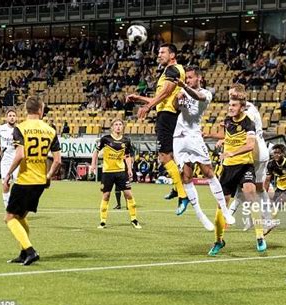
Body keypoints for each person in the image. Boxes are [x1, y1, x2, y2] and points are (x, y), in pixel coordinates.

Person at [126, 43, 189, 214]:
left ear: (173, 55)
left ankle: (183, 195)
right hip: (166, 114)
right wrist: (139, 98)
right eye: (158, 52)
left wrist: (147, 107)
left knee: (164, 156)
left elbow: (166, 94)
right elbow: (161, 98)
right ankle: (178, 189)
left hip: (167, 116)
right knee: (169, 156)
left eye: (162, 52)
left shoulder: (173, 70)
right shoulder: (168, 72)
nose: (159, 55)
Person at [172, 66, 235, 230]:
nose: (188, 81)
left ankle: (225, 211)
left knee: (208, 172)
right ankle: (200, 214)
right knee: (185, 176)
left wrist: (183, 88)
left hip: (194, 136)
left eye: (191, 78)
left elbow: (198, 96)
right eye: (187, 79)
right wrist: (177, 96)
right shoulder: (184, 91)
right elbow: (175, 107)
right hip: (179, 138)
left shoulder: (206, 94)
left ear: (199, 78)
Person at [3, 96, 61, 266]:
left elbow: (20, 155)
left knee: (9, 218)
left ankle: (30, 250)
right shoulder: (50, 130)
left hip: (25, 180)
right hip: (40, 181)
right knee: (20, 216)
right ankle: (23, 252)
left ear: (26, 110)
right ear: (40, 110)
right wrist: (48, 176)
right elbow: (57, 160)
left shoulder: (20, 128)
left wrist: (8, 175)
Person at [207, 95, 267, 256]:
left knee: (250, 192)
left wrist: (231, 152)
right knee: (222, 205)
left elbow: (249, 145)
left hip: (244, 166)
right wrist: (210, 136)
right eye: (229, 105)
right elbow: (227, 136)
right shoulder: (227, 120)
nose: (230, 107)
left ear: (242, 107)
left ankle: (260, 236)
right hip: (228, 169)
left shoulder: (249, 123)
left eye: (234, 105)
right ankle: (218, 241)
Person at [226, 84, 271, 234]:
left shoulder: (247, 113)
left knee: (250, 190)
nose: (229, 97)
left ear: (238, 95)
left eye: (232, 94)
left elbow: (248, 138)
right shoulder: (250, 107)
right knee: (253, 189)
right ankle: (255, 219)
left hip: (255, 153)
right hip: (261, 150)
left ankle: (266, 220)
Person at [90, 119, 141, 229]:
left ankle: (134, 219)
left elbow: (127, 156)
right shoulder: (105, 139)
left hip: (121, 171)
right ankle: (103, 221)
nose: (118, 126)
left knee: (128, 194)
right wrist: (93, 165)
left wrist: (130, 170)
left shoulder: (126, 141)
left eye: (120, 125)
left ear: (123, 127)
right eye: (116, 125)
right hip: (108, 172)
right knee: (106, 195)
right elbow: (96, 151)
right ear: (112, 127)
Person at [0, 109, 19, 207]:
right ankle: (8, 208)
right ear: (6, 117)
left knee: (18, 185)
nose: (12, 117)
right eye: (10, 115)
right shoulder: (1, 128)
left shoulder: (20, 129)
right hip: (6, 160)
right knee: (5, 183)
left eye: (13, 115)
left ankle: (17, 206)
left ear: (16, 117)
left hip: (17, 160)